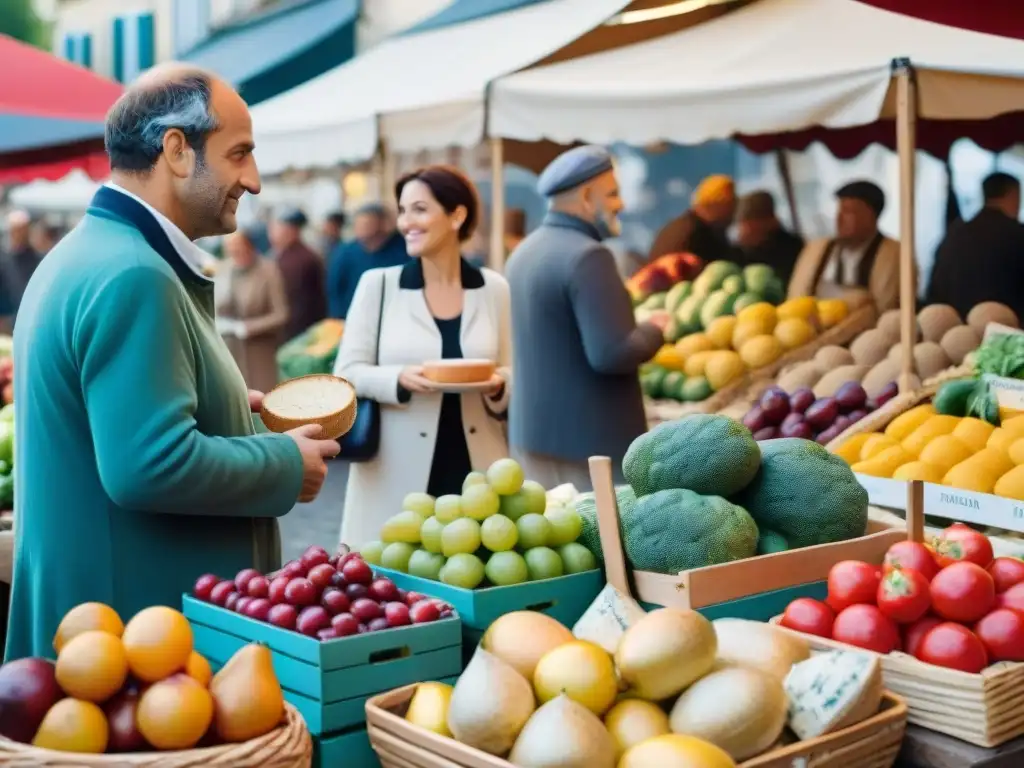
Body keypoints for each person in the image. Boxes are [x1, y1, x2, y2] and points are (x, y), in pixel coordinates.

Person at [5, 64, 340, 661]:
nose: (254, 180)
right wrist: (285, 463)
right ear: (177, 150)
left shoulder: (92, 253)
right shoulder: (134, 274)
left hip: (111, 627)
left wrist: (231, 410)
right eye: (239, 154)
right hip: (132, 640)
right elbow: (147, 464)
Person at [333, 166, 511, 546]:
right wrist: (396, 378)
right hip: (395, 469)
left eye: (419, 209)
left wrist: (499, 386)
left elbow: (514, 373)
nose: (405, 222)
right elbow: (346, 373)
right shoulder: (378, 286)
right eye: (402, 210)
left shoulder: (494, 288)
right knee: (395, 584)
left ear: (456, 215)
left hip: (478, 469)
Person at [506, 145, 668, 490]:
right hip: (592, 445)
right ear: (585, 197)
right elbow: (612, 353)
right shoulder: (589, 256)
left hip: (531, 437)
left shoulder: (524, 252)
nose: (620, 204)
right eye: (611, 194)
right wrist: (654, 329)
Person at [787, 180, 900, 312]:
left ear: (871, 216)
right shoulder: (817, 248)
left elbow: (885, 307)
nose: (839, 218)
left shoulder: (894, 254)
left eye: (848, 212)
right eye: (839, 210)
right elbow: (795, 298)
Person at [926, 172, 1024, 321]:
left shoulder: (955, 235)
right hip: (1005, 335)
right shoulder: (1018, 235)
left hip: (955, 330)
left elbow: (935, 288)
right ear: (1013, 195)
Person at [215, 228, 290, 393]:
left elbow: (281, 314)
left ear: (249, 246)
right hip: (230, 352)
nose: (235, 252)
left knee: (263, 401)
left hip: (260, 354)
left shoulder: (268, 270)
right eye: (230, 249)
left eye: (238, 247)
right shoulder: (223, 269)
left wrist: (248, 327)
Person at [326, 203, 409, 319]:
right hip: (354, 318)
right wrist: (338, 317)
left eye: (367, 223)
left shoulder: (404, 250)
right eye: (358, 224)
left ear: (382, 224)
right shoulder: (345, 252)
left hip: (395, 317)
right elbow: (335, 289)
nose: (361, 229)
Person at [647, 174, 737, 263]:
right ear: (719, 205)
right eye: (731, 205)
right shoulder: (698, 236)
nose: (733, 214)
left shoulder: (679, 226)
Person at [271, 208, 326, 340]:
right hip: (291, 326)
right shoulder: (280, 254)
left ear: (293, 231)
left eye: (279, 229)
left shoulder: (304, 258)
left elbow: (293, 296)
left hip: (298, 328)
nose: (274, 233)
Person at [734, 190, 804, 285]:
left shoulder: (791, 247)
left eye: (749, 226)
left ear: (769, 221)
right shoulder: (739, 252)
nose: (742, 232)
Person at [0, 210, 43, 331]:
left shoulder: (38, 259)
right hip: (8, 323)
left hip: (33, 321)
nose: (19, 234)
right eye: (16, 230)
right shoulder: (3, 261)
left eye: (23, 230)